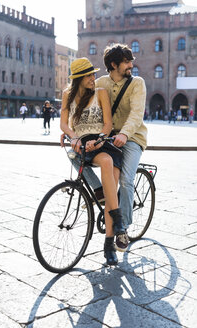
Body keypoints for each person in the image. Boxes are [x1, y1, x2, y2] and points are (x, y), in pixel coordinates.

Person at [62, 44, 147, 256]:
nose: (131, 65)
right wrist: (71, 133)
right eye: (127, 62)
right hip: (105, 138)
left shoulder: (137, 83)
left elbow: (136, 115)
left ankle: (122, 229)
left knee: (126, 180)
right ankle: (99, 192)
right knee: (75, 156)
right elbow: (79, 108)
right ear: (113, 65)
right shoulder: (99, 83)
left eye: (130, 61)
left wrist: (124, 135)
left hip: (132, 137)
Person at [60, 57, 126, 266]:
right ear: (79, 78)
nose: (93, 78)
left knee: (107, 166)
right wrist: (73, 136)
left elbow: (108, 124)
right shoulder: (67, 96)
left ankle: (110, 241)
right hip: (81, 144)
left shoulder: (100, 93)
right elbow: (64, 123)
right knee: (74, 158)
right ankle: (117, 220)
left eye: (93, 74)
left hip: (102, 142)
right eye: (88, 75)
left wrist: (98, 140)